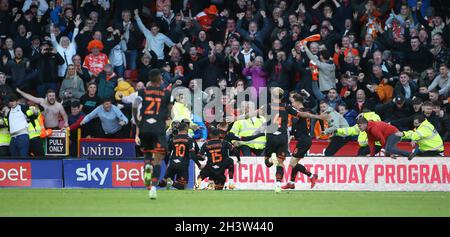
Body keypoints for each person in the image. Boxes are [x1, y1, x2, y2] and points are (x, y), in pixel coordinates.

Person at [133, 69, 173, 200]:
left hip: (144, 127)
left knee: (148, 153)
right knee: (159, 158)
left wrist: (137, 120)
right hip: (158, 128)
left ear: (150, 79)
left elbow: (135, 105)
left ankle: (147, 165)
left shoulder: (141, 92)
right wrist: (166, 116)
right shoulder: (166, 93)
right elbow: (170, 109)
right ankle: (153, 187)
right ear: (160, 79)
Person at [282, 94, 323, 190]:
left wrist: (292, 132)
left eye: (292, 102)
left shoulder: (300, 112)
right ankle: (291, 182)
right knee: (295, 162)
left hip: (303, 140)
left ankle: (312, 176)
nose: (292, 105)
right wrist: (323, 129)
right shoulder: (307, 111)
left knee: (292, 163)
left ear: (297, 102)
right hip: (306, 139)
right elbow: (318, 118)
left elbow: (295, 124)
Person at [159, 122, 201, 190]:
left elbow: (167, 153)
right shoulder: (189, 139)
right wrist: (199, 165)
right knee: (182, 186)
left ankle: (154, 182)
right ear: (186, 129)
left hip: (172, 164)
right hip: (183, 165)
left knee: (163, 183)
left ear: (178, 129)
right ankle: (171, 183)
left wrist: (167, 164)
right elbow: (193, 155)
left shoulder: (172, 139)